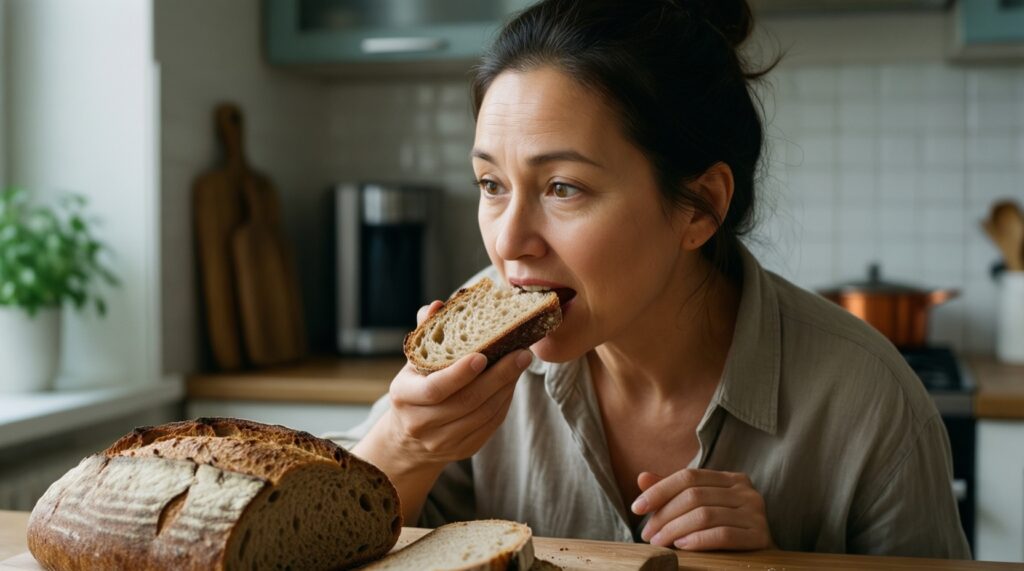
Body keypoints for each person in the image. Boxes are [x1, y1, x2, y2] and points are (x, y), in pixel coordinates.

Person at [326, 0, 970, 557]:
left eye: (562, 187)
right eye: (491, 185)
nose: (509, 241)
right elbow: (312, 547)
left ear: (700, 207)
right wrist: (404, 444)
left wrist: (774, 564)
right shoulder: (479, 367)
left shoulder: (869, 402)